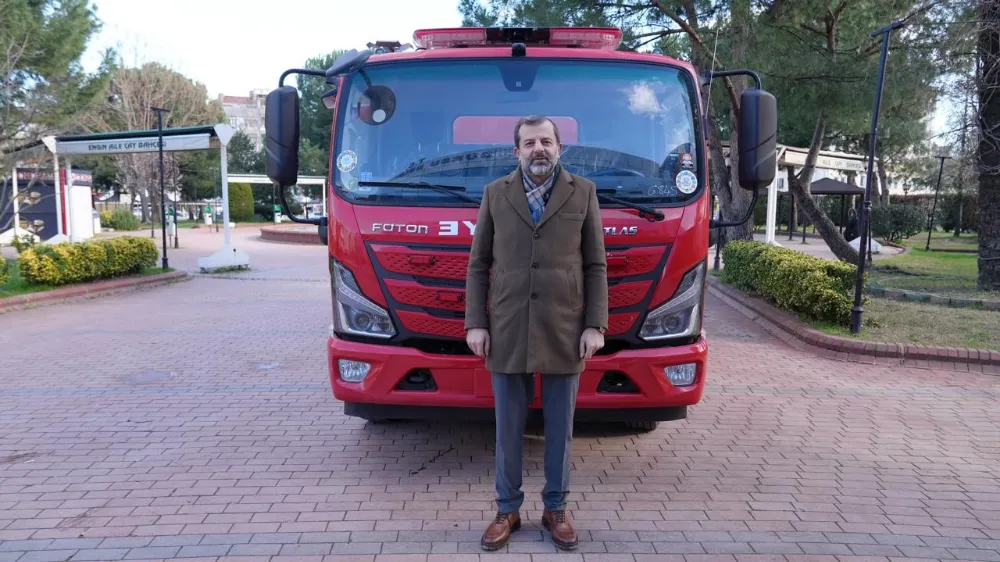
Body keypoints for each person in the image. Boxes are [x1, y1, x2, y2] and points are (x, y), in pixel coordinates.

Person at [464, 115, 609, 552]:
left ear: (559, 147)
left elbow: (595, 264)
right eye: (529, 143)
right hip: (507, 326)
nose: (538, 149)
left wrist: (595, 324)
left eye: (546, 141)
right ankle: (507, 509)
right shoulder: (495, 193)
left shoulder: (584, 192)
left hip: (565, 326)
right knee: (507, 427)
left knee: (560, 428)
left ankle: (556, 509)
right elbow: (478, 264)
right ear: (517, 151)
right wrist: (476, 323)